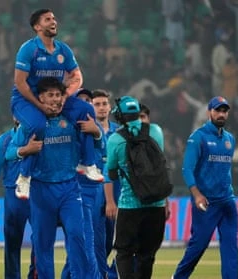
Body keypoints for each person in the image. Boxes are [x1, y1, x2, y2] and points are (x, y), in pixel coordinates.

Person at [11, 8, 103, 200]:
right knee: (38, 125)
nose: (53, 22)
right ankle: (25, 176)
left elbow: (77, 76)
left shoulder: (63, 50)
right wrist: (40, 105)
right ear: (37, 27)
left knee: (86, 110)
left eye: (54, 19)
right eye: (47, 19)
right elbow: (20, 83)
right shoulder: (29, 49)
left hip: (55, 98)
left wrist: (64, 97)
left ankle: (87, 163)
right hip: (26, 99)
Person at [7, 77, 91, 279]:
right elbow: (8, 154)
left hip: (69, 188)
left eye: (59, 95)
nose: (56, 99)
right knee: (43, 245)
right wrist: (26, 149)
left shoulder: (72, 120)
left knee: (77, 235)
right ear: (40, 98)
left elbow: (93, 147)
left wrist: (96, 134)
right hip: (41, 190)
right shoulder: (31, 125)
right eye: (50, 95)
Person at [173, 96, 238, 279]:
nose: (221, 114)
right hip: (207, 203)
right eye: (217, 110)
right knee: (198, 246)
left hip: (227, 201)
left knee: (231, 248)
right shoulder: (198, 137)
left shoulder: (230, 139)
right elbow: (187, 169)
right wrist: (197, 195)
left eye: (224, 111)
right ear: (210, 112)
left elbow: (225, 170)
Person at [106, 96, 167, 279]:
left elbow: (112, 172)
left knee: (124, 253)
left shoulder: (115, 139)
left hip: (130, 207)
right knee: (146, 255)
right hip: (156, 206)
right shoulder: (156, 131)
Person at [0, 118, 37, 279]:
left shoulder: (40, 136)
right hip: (13, 195)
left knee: (40, 240)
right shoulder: (5, 139)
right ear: (14, 116)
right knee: (12, 243)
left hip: (37, 193)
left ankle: (35, 275)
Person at [61, 88, 103, 279]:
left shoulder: (97, 128)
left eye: (89, 100)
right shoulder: (67, 126)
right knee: (84, 241)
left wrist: (97, 133)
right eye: (82, 100)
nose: (86, 103)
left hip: (94, 188)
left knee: (85, 241)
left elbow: (103, 147)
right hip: (74, 187)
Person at [91, 89, 120, 278]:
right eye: (97, 104)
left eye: (104, 104)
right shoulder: (87, 129)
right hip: (93, 190)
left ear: (110, 107)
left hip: (116, 190)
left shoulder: (119, 132)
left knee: (110, 241)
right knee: (95, 242)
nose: (101, 108)